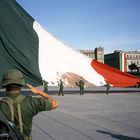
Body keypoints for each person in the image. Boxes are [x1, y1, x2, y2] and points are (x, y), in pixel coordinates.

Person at [0, 69, 58, 140]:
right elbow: (55, 103)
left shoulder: (1, 105)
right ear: (21, 86)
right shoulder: (31, 102)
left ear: (5, 86)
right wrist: (39, 92)